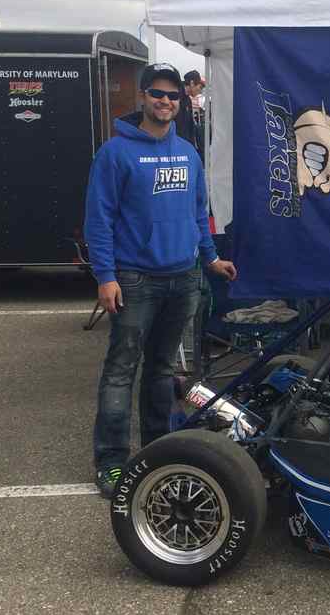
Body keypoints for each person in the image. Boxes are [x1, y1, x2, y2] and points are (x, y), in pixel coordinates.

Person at [85, 62, 237, 498]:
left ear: (181, 101)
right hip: (134, 281)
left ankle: (155, 450)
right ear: (143, 97)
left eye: (173, 96)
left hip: (182, 279)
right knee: (120, 371)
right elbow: (99, 220)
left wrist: (210, 259)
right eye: (157, 93)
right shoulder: (115, 153)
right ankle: (112, 462)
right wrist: (106, 276)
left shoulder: (188, 152)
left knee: (161, 371)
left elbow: (196, 212)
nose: (165, 101)